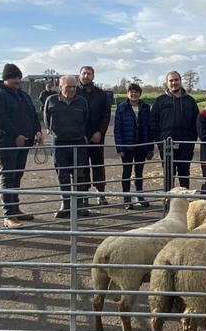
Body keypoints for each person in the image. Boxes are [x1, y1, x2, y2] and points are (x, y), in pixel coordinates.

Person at [0, 64, 43, 228]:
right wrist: (15, 135)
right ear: (5, 79)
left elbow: (33, 114)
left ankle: (15, 208)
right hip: (7, 143)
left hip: (24, 141)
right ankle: (8, 215)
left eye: (19, 77)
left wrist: (38, 131)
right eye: (14, 77)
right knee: (8, 176)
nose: (17, 80)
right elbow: (0, 117)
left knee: (17, 175)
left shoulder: (22, 95)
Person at [44, 76, 90, 218]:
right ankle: (65, 204)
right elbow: (46, 120)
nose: (71, 90)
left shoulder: (82, 101)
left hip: (78, 143)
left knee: (79, 175)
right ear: (60, 86)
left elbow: (86, 119)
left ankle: (79, 205)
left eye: (74, 87)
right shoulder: (51, 101)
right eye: (68, 87)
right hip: (59, 144)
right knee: (62, 175)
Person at [150, 71, 199, 188]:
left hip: (185, 145)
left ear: (180, 81)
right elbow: (153, 121)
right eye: (171, 80)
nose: (174, 83)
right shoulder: (160, 101)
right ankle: (168, 201)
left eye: (176, 80)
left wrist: (191, 140)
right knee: (168, 174)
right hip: (166, 145)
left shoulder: (190, 101)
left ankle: (185, 200)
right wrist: (159, 140)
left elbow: (196, 122)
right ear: (167, 83)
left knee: (184, 174)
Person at [113, 83, 154, 209]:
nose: (133, 94)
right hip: (127, 146)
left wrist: (150, 147)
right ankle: (127, 197)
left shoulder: (146, 107)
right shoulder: (122, 108)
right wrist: (119, 148)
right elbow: (117, 129)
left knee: (139, 172)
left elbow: (149, 128)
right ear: (127, 93)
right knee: (126, 172)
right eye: (131, 91)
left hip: (141, 145)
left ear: (140, 94)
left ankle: (139, 195)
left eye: (136, 92)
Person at [78, 66, 111, 206]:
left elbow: (106, 115)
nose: (86, 76)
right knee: (82, 166)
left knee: (98, 164)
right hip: (80, 137)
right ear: (80, 75)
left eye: (89, 74)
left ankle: (101, 193)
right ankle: (84, 195)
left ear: (93, 76)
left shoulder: (101, 94)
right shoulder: (75, 92)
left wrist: (100, 132)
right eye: (84, 73)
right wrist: (81, 134)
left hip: (97, 136)